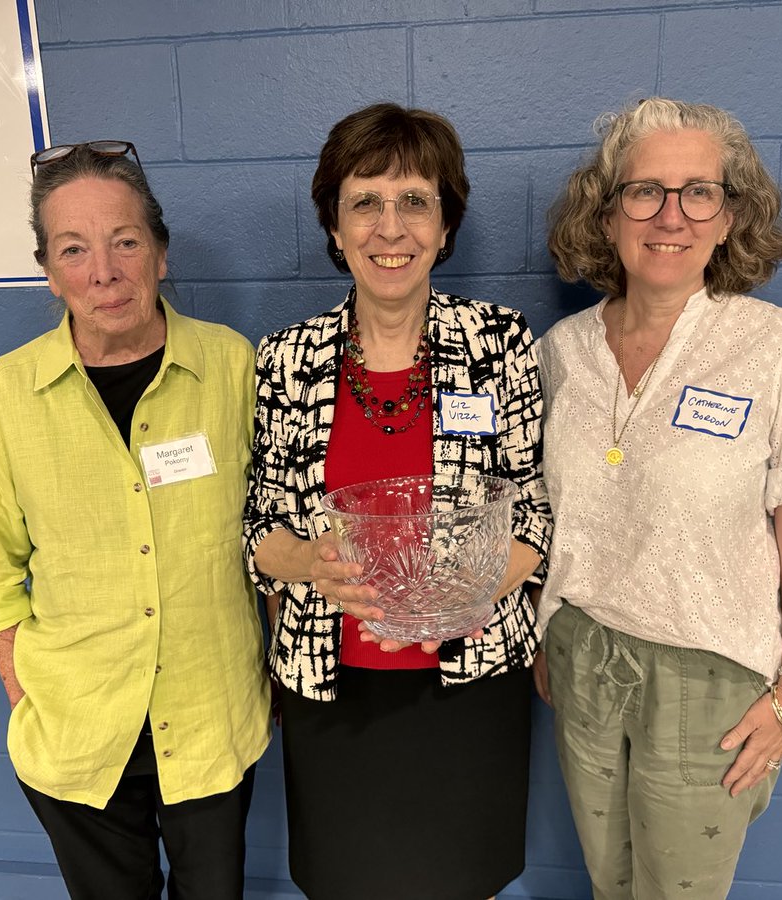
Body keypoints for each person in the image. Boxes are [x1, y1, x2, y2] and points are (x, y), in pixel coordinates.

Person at [536, 98, 782, 899]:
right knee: (608, 881)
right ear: (607, 213)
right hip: (580, 656)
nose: (670, 215)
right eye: (644, 191)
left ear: (730, 218)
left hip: (708, 677)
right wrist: (549, 636)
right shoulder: (562, 353)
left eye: (699, 193)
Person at [243, 103, 551, 900]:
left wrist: (459, 597)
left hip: (469, 681)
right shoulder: (285, 359)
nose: (391, 227)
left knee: (462, 878)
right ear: (334, 225)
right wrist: (308, 561)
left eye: (415, 201)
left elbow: (535, 514)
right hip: (332, 685)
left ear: (445, 227)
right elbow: (258, 526)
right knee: (347, 880)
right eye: (365, 202)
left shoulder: (499, 343)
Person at [0, 140, 269, 900]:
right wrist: (25, 692)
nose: (104, 271)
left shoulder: (233, 368)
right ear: (49, 271)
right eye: (74, 249)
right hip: (77, 732)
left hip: (210, 721)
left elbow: (272, 533)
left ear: (160, 253)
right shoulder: (7, 396)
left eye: (125, 241)